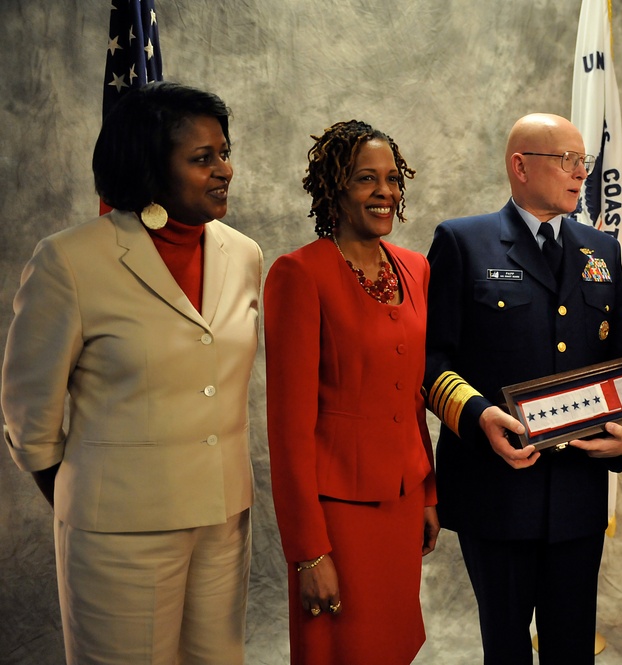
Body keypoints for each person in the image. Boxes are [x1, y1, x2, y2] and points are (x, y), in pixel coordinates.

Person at [1, 81, 261, 663]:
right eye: (202, 159)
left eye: (224, 152)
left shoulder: (244, 255)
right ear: (149, 165)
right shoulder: (70, 261)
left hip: (222, 525)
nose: (225, 170)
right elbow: (29, 416)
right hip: (117, 533)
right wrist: (91, 503)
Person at [423, 112, 622, 664]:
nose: (580, 174)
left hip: (577, 493)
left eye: (583, 162)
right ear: (521, 166)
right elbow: (432, 360)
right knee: (507, 646)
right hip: (496, 490)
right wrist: (477, 416)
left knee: (572, 648)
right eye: (566, 160)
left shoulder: (601, 250)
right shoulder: (463, 242)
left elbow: (620, 366)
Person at [264, 120, 439, 665]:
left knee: (394, 647)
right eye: (367, 179)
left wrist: (428, 493)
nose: (385, 191)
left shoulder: (415, 268)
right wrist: (309, 554)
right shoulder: (299, 274)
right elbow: (288, 430)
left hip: (404, 501)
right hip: (337, 515)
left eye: (392, 178)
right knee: (342, 651)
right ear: (334, 189)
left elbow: (411, 398)